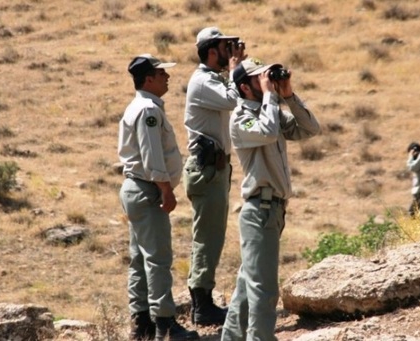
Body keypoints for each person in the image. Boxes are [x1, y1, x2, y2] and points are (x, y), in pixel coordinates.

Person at [221, 58, 321, 341]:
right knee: (264, 290)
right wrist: (269, 97)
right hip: (259, 209)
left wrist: (288, 96)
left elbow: (310, 129)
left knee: (247, 285)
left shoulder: (271, 110)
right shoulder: (241, 117)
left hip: (273, 210)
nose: (265, 81)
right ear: (245, 86)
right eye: (258, 78)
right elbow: (265, 132)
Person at [118, 53, 200, 341]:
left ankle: (142, 325)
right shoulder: (148, 111)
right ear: (149, 78)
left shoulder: (139, 106)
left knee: (140, 259)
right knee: (158, 259)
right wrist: (166, 189)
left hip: (136, 188)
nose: (167, 77)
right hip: (148, 189)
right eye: (161, 73)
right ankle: (166, 325)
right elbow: (152, 155)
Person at [183, 26, 246, 326]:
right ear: (211, 51)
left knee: (213, 236)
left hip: (215, 169)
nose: (229, 51)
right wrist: (236, 69)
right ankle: (202, 305)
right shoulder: (202, 82)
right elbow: (234, 100)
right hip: (206, 170)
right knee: (208, 238)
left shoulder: (213, 80)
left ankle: (203, 300)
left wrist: (236, 68)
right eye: (224, 47)